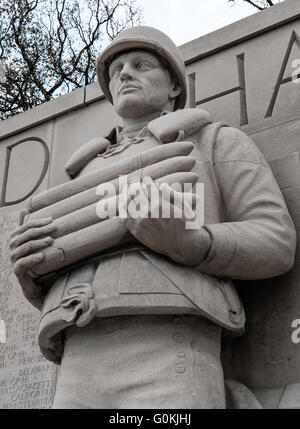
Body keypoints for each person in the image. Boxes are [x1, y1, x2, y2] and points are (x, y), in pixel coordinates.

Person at [9, 26, 296, 409]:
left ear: (174, 87)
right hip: (78, 354)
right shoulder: (81, 171)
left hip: (171, 344)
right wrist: (33, 276)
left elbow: (275, 238)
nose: (125, 74)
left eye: (141, 65)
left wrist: (193, 244)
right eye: (117, 71)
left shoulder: (213, 142)